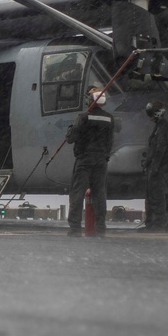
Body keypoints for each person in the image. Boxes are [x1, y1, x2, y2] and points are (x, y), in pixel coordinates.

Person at [66, 87, 114, 237]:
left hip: (85, 159)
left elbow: (70, 138)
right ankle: (101, 228)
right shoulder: (109, 118)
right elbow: (110, 141)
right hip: (101, 161)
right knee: (100, 194)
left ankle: (75, 228)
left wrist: (70, 129)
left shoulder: (83, 117)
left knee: (77, 193)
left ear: (90, 100)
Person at [142, 100, 168, 231]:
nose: (150, 118)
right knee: (150, 197)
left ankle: (158, 224)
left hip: (158, 168)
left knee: (157, 196)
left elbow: (160, 149)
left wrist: (154, 166)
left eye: (151, 115)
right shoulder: (159, 126)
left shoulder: (164, 128)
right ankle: (150, 224)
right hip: (153, 167)